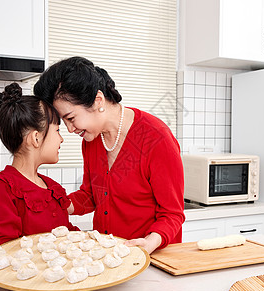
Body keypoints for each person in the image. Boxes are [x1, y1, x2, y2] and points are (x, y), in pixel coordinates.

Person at [34, 57, 185, 254]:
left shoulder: (156, 138)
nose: (70, 129)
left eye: (71, 118)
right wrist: (58, 203)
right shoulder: (92, 140)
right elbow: (92, 195)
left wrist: (150, 242)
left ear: (98, 101)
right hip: (109, 257)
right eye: (65, 122)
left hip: (153, 258)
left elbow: (172, 214)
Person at [0, 83, 78, 249]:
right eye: (57, 131)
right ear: (36, 138)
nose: (61, 139)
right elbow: (5, 252)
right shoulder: (3, 190)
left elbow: (67, 235)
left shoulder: (52, 187)